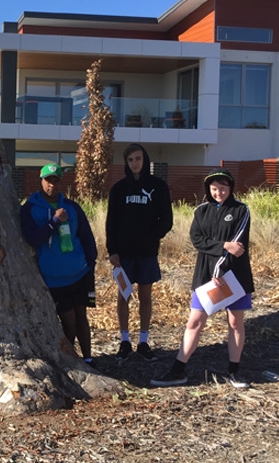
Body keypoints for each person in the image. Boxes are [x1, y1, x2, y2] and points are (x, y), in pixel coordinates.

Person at [151, 168, 254, 389]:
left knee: (235, 322)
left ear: (231, 188)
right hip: (207, 277)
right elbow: (197, 239)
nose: (219, 192)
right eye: (214, 188)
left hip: (234, 277)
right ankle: (177, 370)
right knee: (194, 322)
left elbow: (237, 246)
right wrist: (223, 246)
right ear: (208, 189)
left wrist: (221, 263)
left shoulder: (241, 210)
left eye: (223, 187)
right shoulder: (201, 211)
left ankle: (234, 371)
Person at [20, 164, 97, 365]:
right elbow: (33, 239)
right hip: (53, 277)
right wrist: (54, 221)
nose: (51, 185)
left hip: (79, 272)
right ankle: (69, 360)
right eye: (48, 180)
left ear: (61, 182)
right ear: (41, 180)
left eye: (56, 180)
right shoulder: (30, 209)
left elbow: (87, 238)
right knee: (68, 322)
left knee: (82, 318)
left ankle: (88, 359)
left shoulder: (72, 207)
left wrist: (90, 265)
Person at [106, 143, 172, 361]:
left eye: (138, 158)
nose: (135, 163)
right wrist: (112, 250)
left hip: (147, 253)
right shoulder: (119, 189)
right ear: (126, 162)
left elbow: (167, 220)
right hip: (123, 254)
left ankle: (143, 342)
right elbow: (111, 222)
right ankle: (124, 341)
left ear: (145, 160)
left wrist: (150, 237)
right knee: (124, 295)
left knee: (145, 297)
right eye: (131, 159)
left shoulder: (158, 186)